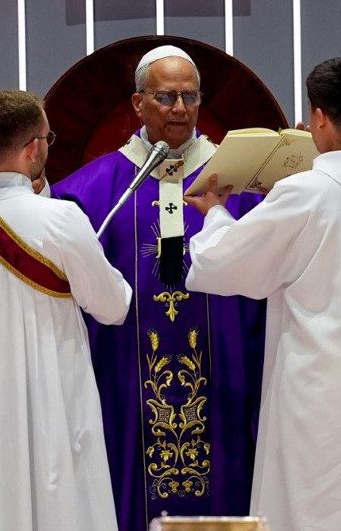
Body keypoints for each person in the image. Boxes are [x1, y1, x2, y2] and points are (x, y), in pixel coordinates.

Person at [184, 57, 341, 530]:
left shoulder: (306, 192)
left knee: (315, 509)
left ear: (318, 117)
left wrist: (215, 212)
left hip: (318, 394)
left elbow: (221, 262)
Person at [49, 46, 266, 529]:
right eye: (166, 97)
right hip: (129, 383)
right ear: (137, 103)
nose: (180, 108)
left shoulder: (241, 188)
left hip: (222, 383)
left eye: (190, 96)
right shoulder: (91, 194)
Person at [0, 89, 132, 530]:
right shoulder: (60, 219)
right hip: (52, 413)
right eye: (48, 138)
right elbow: (114, 306)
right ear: (34, 147)